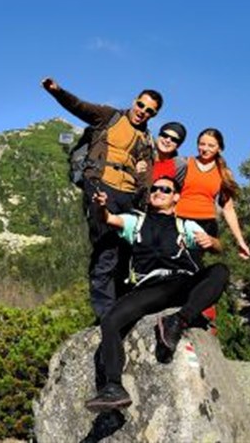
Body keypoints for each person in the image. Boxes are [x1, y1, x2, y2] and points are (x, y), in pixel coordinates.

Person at [84, 176, 229, 412]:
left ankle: (178, 321)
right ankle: (113, 388)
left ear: (176, 197)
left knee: (220, 271)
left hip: (183, 282)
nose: (158, 192)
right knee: (110, 320)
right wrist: (100, 206)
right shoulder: (136, 222)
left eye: (165, 189)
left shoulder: (186, 225)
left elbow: (218, 247)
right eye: (155, 189)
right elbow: (109, 218)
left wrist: (210, 240)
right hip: (151, 287)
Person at [42, 77, 160, 320]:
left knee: (126, 253)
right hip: (100, 186)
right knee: (106, 248)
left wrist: (144, 185)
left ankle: (121, 308)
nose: (143, 112)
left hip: (128, 196)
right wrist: (57, 91)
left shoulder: (147, 139)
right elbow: (79, 106)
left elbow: (147, 177)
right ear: (134, 101)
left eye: (149, 111)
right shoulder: (109, 116)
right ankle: (105, 315)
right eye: (141, 105)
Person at [175, 128, 250, 260]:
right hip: (178, 220)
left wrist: (240, 241)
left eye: (211, 145)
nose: (205, 149)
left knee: (192, 263)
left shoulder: (224, 173)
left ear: (220, 148)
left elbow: (228, 209)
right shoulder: (185, 163)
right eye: (202, 144)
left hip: (205, 226)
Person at [151, 121, 188, 187]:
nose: (168, 140)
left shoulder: (179, 165)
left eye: (174, 139)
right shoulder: (143, 153)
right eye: (165, 135)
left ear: (178, 145)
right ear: (158, 136)